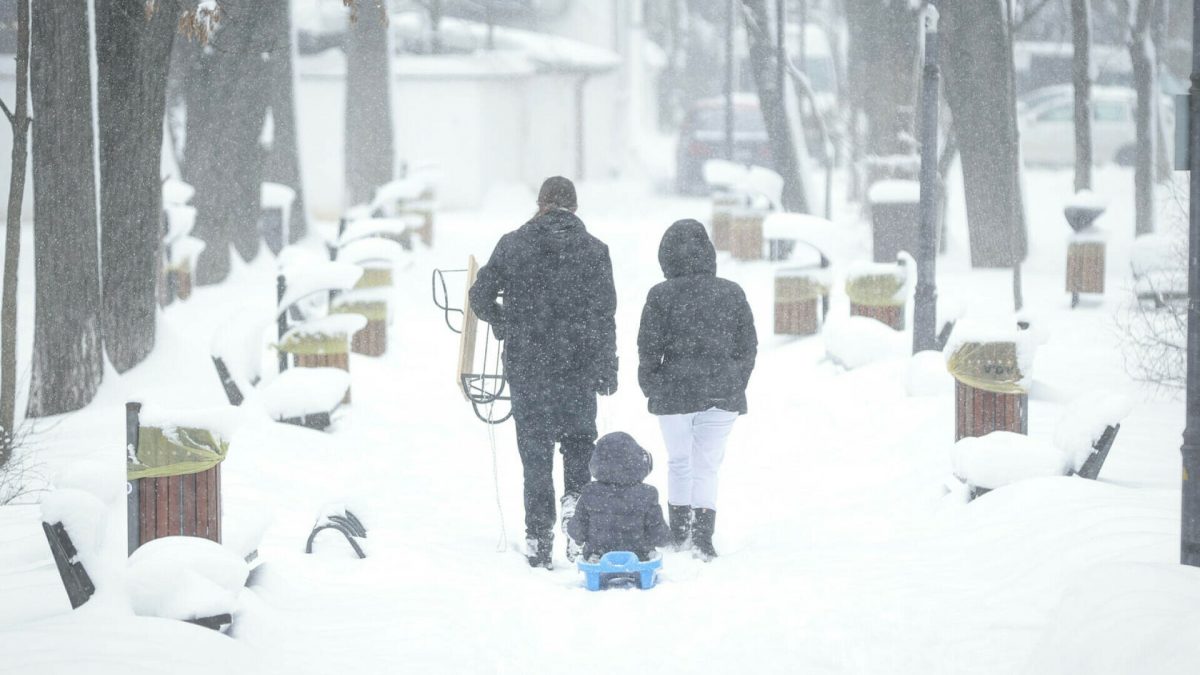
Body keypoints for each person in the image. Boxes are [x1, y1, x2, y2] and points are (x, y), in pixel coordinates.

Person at [469, 176, 618, 569]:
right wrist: (607, 366)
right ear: (575, 207)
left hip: (528, 369)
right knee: (579, 446)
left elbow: (479, 297)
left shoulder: (512, 244)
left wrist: (506, 322)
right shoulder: (595, 250)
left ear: (540, 204)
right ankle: (577, 519)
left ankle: (538, 536)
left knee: (535, 456)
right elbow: (604, 316)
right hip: (578, 369)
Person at [636, 219, 757, 562]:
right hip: (723, 391)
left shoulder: (660, 295)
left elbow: (648, 347)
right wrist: (735, 379)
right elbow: (747, 346)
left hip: (674, 392)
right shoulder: (732, 293)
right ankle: (703, 538)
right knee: (707, 465)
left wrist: (652, 384)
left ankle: (679, 533)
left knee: (679, 461)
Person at [566, 432, 670, 562]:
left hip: (599, 557)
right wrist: (668, 536)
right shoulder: (647, 494)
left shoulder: (589, 492)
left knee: (593, 557)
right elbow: (659, 536)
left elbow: (577, 532)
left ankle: (596, 559)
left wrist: (571, 527)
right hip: (638, 558)